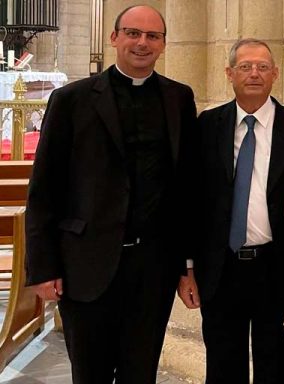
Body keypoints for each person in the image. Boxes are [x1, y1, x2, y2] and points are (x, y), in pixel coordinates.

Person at [25, 5, 199, 383]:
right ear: (114, 37)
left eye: (153, 36)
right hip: (85, 263)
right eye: (133, 33)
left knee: (141, 373)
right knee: (90, 373)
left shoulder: (179, 98)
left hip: (153, 266)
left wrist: (186, 265)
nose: (142, 43)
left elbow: (185, 187)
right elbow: (44, 188)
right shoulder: (72, 99)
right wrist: (43, 267)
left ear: (164, 44)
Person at [175, 39, 284, 383]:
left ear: (275, 74)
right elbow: (190, 200)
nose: (254, 73)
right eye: (245, 67)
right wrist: (186, 267)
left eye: (263, 67)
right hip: (220, 269)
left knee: (278, 365)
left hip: (277, 269)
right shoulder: (206, 126)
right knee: (223, 366)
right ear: (229, 74)